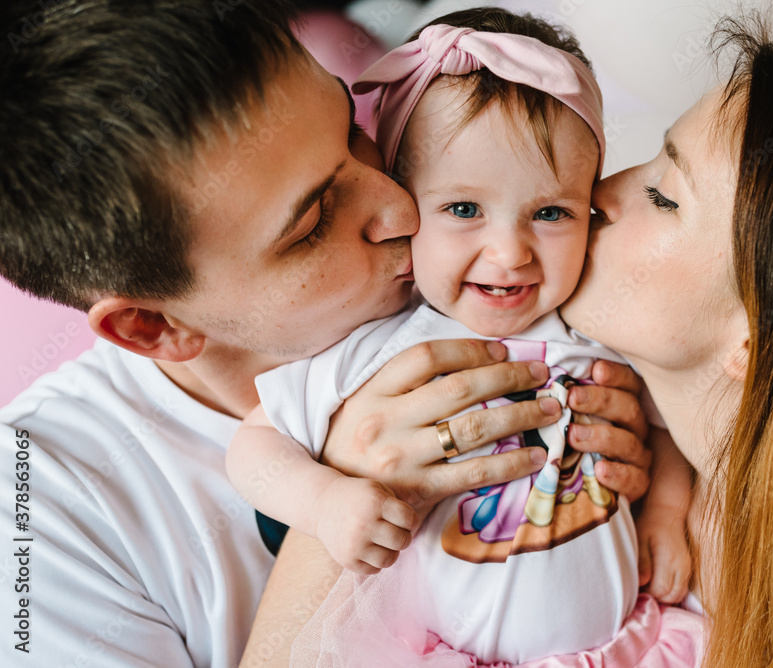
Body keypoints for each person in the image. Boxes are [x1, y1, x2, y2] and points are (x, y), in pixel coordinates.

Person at [243, 17, 773, 668]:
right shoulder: (400, 354)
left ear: (756, 342)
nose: (598, 194)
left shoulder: (757, 584)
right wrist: (345, 478)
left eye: (665, 194)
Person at [0, 2, 652, 666]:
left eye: (353, 130)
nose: (401, 207)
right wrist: (346, 495)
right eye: (314, 221)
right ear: (153, 325)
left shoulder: (515, 286)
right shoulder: (38, 516)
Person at [226, 9, 694, 665]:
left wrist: (667, 507)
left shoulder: (601, 324)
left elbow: (669, 423)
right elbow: (253, 447)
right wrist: (325, 501)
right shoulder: (379, 347)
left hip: (623, 645)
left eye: (551, 212)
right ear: (403, 199)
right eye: (465, 209)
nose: (509, 253)